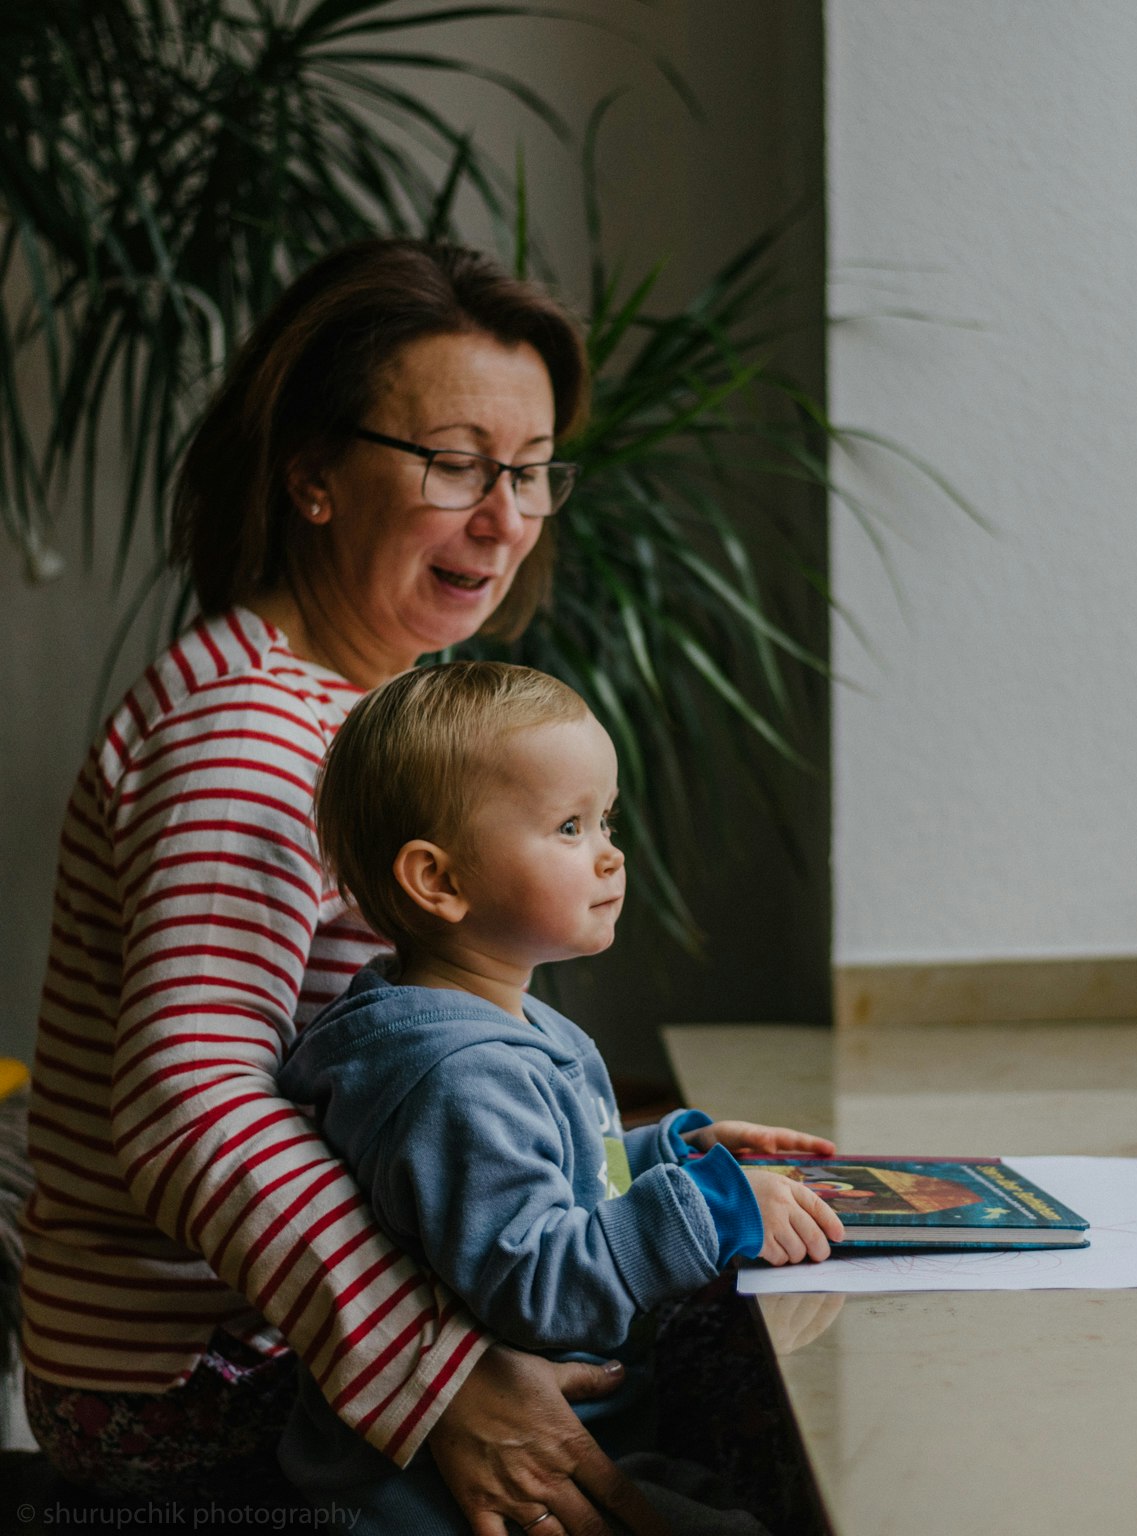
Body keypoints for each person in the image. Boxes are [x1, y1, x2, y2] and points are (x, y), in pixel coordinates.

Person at [21, 239, 675, 1533]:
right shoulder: (252, 735)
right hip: (192, 1383)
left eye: (532, 472)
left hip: (275, 1347)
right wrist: (441, 1384)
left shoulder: (362, 707)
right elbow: (186, 1103)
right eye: (455, 464)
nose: (505, 518)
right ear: (314, 476)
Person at [275, 660, 843, 1532]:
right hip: (454, 1494)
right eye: (570, 826)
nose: (612, 852)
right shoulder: (458, 1076)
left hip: (582, 1425)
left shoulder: (508, 1026)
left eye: (604, 818)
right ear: (440, 881)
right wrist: (709, 1211)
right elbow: (534, 1279)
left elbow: (569, 1174)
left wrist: (674, 1154)